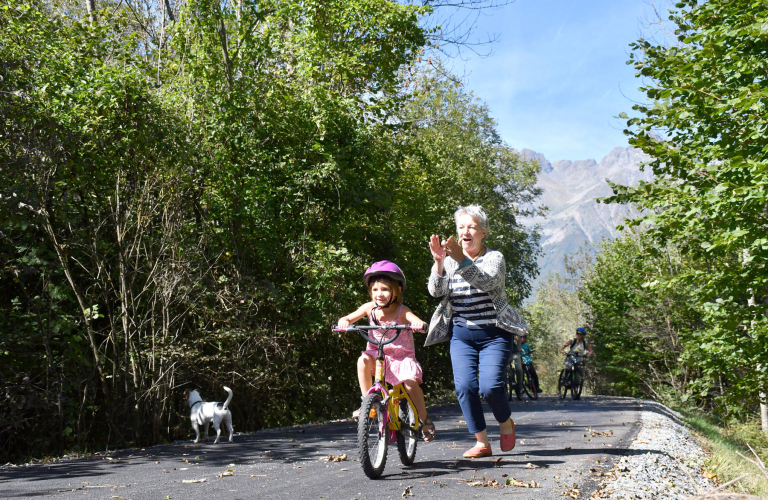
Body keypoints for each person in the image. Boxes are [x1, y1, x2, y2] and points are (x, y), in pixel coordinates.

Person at [428, 204, 527, 458]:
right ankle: (482, 442)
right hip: (462, 335)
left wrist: (461, 260)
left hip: (495, 334)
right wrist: (439, 263)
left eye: (471, 227)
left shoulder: (495, 258)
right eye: (461, 227)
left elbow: (487, 282)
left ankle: (506, 422)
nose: (465, 232)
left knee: (491, 388)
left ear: (484, 232)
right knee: (465, 387)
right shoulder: (449, 262)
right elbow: (436, 291)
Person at [337, 260, 436, 442]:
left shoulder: (402, 310)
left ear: (396, 291)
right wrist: (344, 321)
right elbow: (350, 317)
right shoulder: (369, 309)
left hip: (401, 357)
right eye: (375, 290)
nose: (379, 294)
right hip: (378, 355)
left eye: (385, 289)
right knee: (362, 361)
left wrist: (417, 324)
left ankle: (424, 419)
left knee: (410, 385)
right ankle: (369, 403)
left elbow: (416, 320)